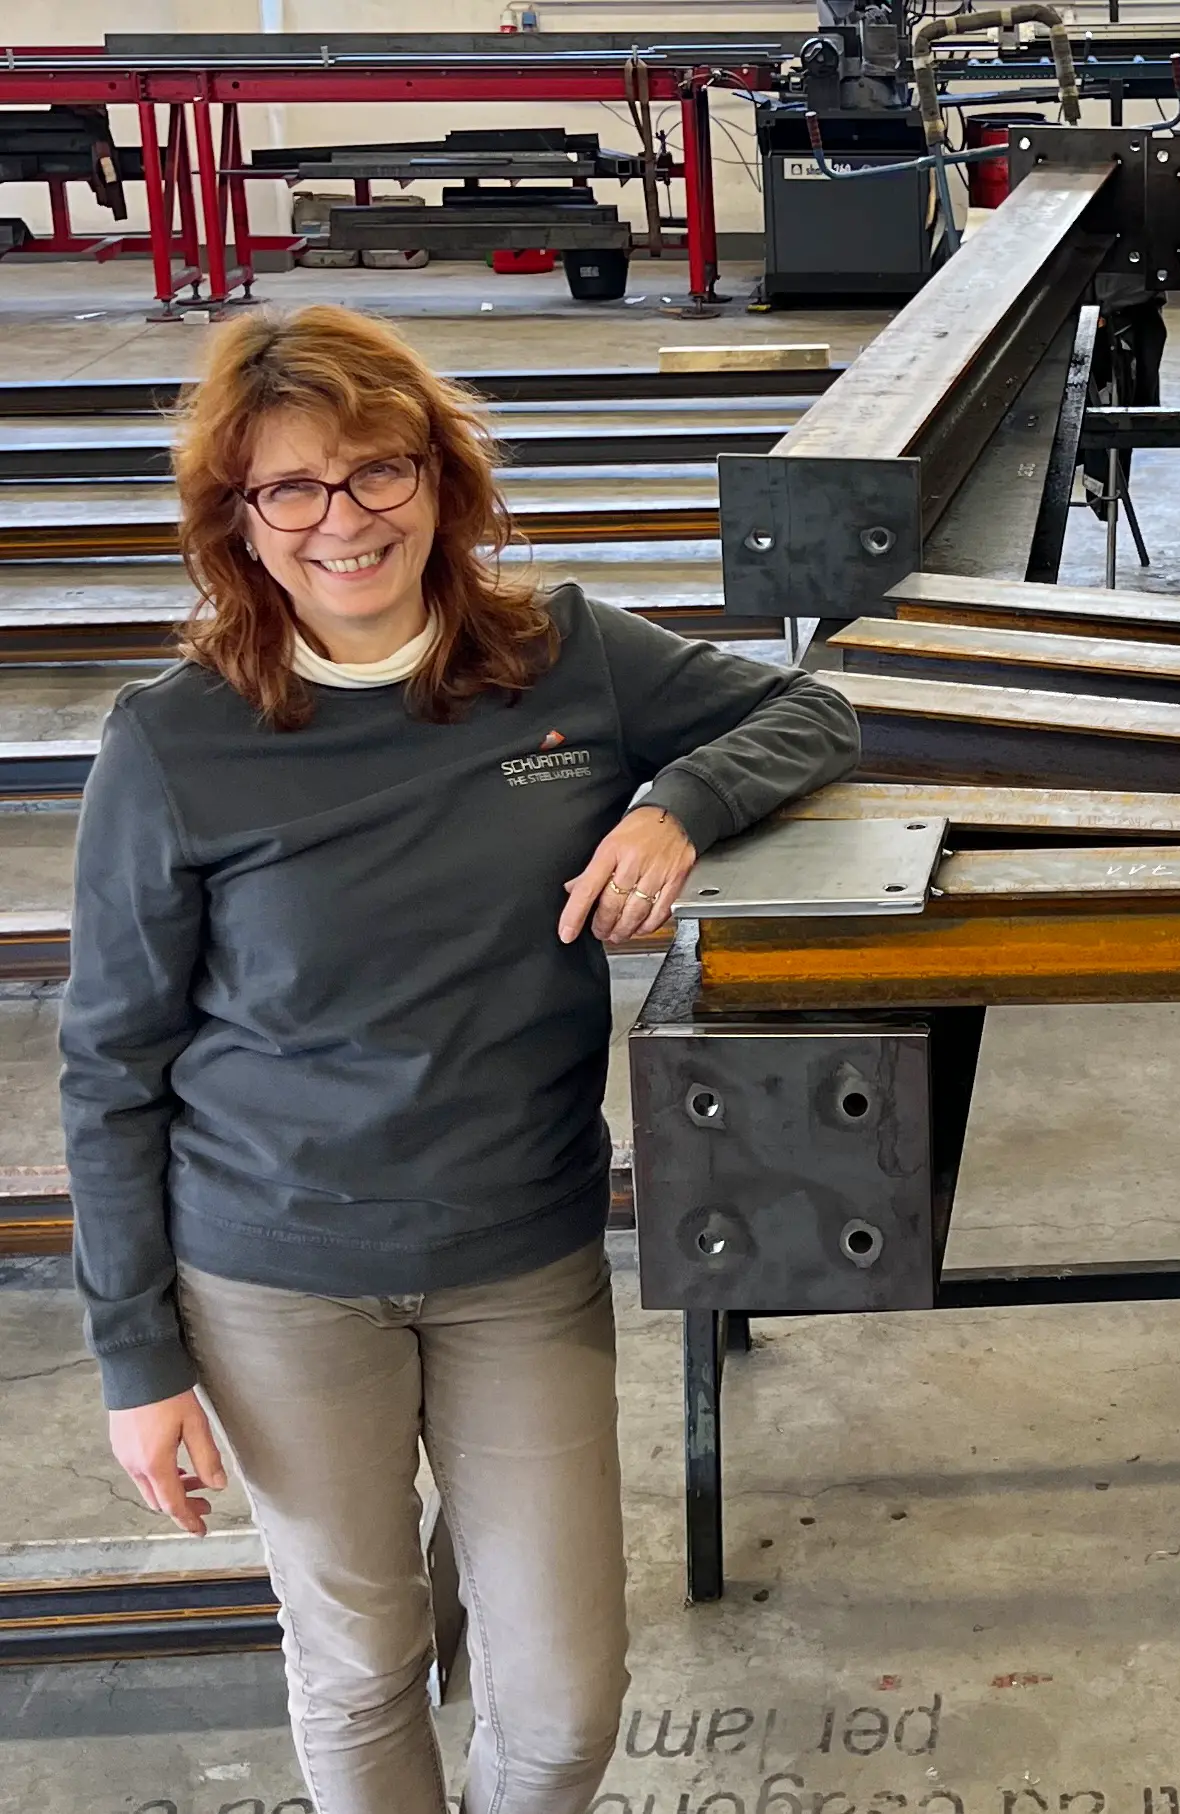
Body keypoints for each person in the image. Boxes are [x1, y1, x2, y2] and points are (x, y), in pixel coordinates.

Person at [62, 304, 860, 1814]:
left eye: (378, 469)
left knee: (561, 1709)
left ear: (439, 476)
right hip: (278, 1274)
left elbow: (812, 707)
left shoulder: (562, 657)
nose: (343, 517)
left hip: (518, 1255)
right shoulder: (176, 743)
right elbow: (110, 1065)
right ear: (236, 518)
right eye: (289, 487)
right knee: (363, 1665)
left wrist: (676, 804)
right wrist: (136, 1358)